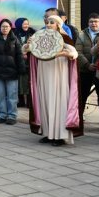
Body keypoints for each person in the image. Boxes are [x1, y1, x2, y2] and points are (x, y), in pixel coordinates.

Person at [24, 15, 79, 146]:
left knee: (58, 103)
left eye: (52, 22)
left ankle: (60, 136)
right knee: (45, 102)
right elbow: (26, 51)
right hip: (43, 74)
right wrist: (28, 44)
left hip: (58, 75)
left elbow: (74, 53)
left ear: (58, 25)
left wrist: (65, 53)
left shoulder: (64, 38)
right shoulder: (40, 36)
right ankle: (48, 134)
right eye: (47, 22)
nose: (49, 24)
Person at [0, 19, 24, 124]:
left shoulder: (15, 40)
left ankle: (12, 116)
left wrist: (21, 68)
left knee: (12, 95)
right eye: (3, 26)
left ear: (10, 28)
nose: (5, 28)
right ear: (0, 28)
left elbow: (19, 56)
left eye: (7, 26)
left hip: (12, 72)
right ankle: (2, 114)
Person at [74, 13, 99, 131]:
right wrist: (87, 65)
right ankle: (79, 115)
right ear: (88, 23)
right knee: (82, 93)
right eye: (91, 21)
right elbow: (77, 52)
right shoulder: (82, 35)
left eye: (96, 21)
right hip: (85, 69)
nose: (94, 24)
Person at [13, 18, 35, 107]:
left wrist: (28, 53)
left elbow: (36, 46)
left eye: (27, 24)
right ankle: (21, 101)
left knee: (29, 81)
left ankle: (30, 102)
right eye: (24, 24)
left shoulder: (32, 34)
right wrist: (20, 54)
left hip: (29, 61)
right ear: (19, 24)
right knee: (19, 81)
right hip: (18, 61)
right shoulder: (14, 34)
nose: (26, 26)